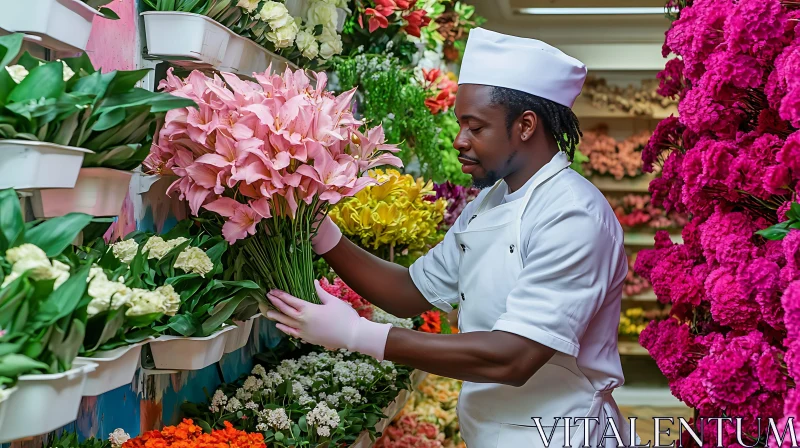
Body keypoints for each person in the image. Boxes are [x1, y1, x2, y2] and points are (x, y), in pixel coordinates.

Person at [265, 28, 632, 448]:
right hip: (495, 431)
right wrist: (322, 235)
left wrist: (359, 336)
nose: (460, 141)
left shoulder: (572, 215)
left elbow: (514, 357)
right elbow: (409, 291)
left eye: (475, 127)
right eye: (461, 125)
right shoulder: (490, 202)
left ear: (526, 125)